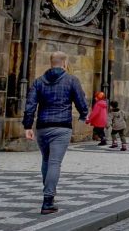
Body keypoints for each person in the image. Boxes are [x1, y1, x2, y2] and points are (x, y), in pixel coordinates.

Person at [22, 51, 89, 215]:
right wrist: (83, 114)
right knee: (54, 163)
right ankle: (48, 200)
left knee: (46, 160)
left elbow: (30, 105)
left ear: (51, 63)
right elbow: (81, 100)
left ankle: (48, 193)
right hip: (61, 127)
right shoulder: (71, 80)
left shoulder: (39, 82)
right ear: (64, 63)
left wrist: (28, 126)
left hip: (43, 127)